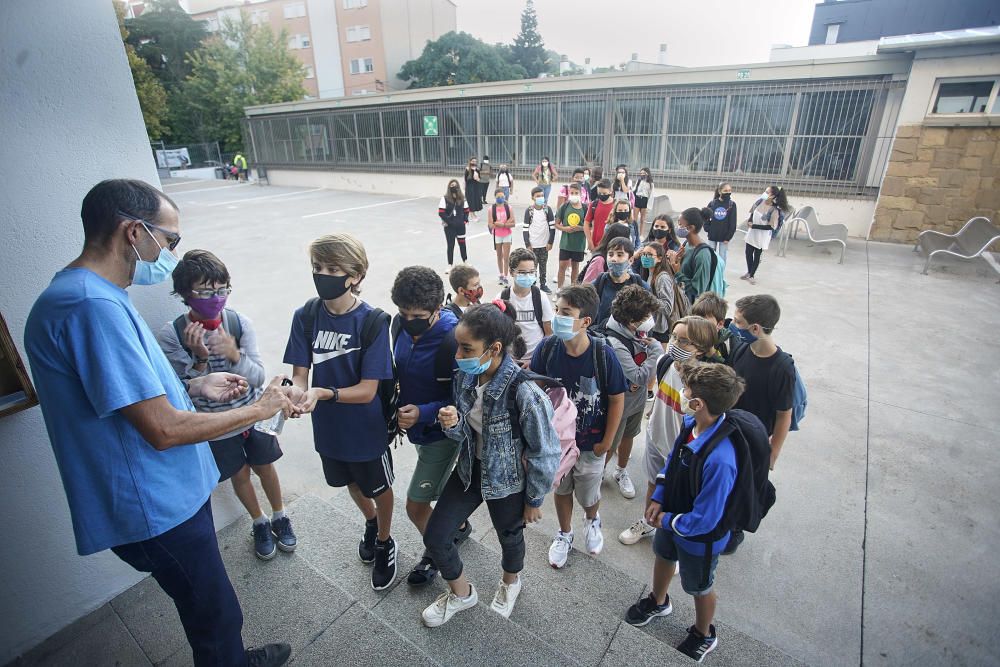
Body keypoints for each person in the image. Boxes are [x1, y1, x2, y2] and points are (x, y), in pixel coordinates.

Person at [24, 179, 293, 667]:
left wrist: (193, 387)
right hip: (155, 505)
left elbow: (121, 398)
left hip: (162, 496)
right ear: (133, 232)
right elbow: (161, 429)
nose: (171, 251)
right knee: (214, 616)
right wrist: (260, 407)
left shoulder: (86, 295)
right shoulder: (92, 307)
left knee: (210, 609)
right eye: (169, 240)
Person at [422, 302, 560, 626]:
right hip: (471, 470)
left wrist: (534, 500)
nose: (458, 355)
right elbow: (463, 435)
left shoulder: (525, 392)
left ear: (494, 349)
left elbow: (546, 451)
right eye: (459, 345)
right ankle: (461, 593)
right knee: (436, 536)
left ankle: (511, 583)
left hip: (509, 481)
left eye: (466, 348)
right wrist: (451, 422)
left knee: (510, 537)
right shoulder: (464, 378)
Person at [156, 250, 295, 561]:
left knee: (265, 467)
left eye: (222, 290)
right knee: (240, 473)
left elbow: (258, 377)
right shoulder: (173, 334)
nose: (215, 298)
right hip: (216, 426)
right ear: (184, 293)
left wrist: (235, 356)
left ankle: (280, 515)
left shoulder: (238, 322)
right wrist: (200, 358)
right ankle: (259, 521)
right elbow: (180, 392)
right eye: (205, 292)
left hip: (254, 415)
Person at [282, 233, 398, 591]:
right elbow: (300, 375)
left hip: (365, 429)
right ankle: (370, 522)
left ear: (355, 275)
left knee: (378, 487)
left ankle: (384, 540)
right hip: (328, 428)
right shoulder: (306, 315)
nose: (323, 275)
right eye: (318, 267)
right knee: (349, 482)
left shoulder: (374, 322)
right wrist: (292, 395)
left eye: (333, 268)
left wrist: (322, 392)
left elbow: (367, 392)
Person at [624, 362, 748, 664]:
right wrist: (660, 497)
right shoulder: (692, 426)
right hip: (672, 518)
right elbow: (671, 463)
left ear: (698, 404)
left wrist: (664, 518)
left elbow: (705, 519)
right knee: (663, 555)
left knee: (699, 585)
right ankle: (658, 600)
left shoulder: (721, 460)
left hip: (698, 538)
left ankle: (704, 633)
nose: (682, 394)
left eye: (686, 391)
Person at [530, 285, 628, 567]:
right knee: (561, 490)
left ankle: (591, 519)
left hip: (590, 444)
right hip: (556, 444)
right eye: (558, 310)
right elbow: (535, 391)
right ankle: (564, 533)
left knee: (588, 493)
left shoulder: (603, 355)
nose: (558, 317)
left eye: (566, 313)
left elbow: (617, 399)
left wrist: (607, 442)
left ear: (586, 321)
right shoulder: (547, 348)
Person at [389, 266, 472, 587]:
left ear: (439, 308)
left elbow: (462, 401)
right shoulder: (400, 325)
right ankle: (458, 527)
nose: (410, 322)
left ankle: (440, 554)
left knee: (415, 505)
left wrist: (422, 412)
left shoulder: (454, 341)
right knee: (433, 488)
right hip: (417, 431)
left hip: (442, 434)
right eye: (403, 313)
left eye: (418, 316)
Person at [618, 316, 717, 547]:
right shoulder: (666, 362)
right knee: (653, 483)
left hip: (682, 449)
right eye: (673, 337)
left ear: (700, 350)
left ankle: (676, 538)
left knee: (681, 495)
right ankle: (648, 522)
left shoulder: (703, 382)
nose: (674, 344)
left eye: (684, 341)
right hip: (656, 437)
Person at [725, 294, 794, 554]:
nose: (733, 325)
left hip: (754, 440)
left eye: (739, 322)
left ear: (755, 328)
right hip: (730, 430)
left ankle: (734, 530)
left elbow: (784, 414)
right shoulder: (742, 349)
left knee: (744, 487)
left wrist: (773, 453)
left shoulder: (782, 367)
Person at [603, 285, 664, 500]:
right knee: (611, 441)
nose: (649, 320)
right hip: (618, 404)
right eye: (645, 316)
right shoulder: (615, 343)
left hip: (635, 402)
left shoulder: (638, 332)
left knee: (629, 435)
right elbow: (639, 376)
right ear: (631, 320)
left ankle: (621, 470)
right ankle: (599, 472)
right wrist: (656, 352)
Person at [500, 248, 554, 365]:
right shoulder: (502, 298)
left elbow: (549, 334)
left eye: (531, 272)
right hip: (509, 361)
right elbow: (498, 333)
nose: (528, 276)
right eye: (522, 272)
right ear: (511, 272)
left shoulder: (540, 297)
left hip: (535, 359)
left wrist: (535, 360)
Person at [593, 237, 649, 326]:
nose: (613, 259)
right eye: (610, 255)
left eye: (619, 255)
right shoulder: (597, 285)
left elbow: (647, 321)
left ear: (630, 260)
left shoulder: (642, 287)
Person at [667, 207, 718, 303]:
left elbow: (698, 290)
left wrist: (677, 272)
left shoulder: (702, 254)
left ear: (691, 228)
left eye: (680, 224)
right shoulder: (686, 244)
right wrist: (677, 260)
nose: (677, 227)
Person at [743, 186, 791, 285]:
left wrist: (754, 226)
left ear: (773, 196)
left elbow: (771, 226)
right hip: (752, 233)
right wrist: (750, 221)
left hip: (762, 236)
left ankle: (752, 275)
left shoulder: (774, 210)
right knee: (748, 252)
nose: (764, 193)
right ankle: (749, 271)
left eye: (767, 192)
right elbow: (752, 213)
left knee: (757, 255)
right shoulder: (759, 202)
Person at [637, 241, 681, 344]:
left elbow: (667, 308)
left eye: (649, 255)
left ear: (660, 258)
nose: (645, 257)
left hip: (660, 331)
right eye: (643, 254)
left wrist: (647, 297)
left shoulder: (662, 278)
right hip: (651, 326)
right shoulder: (650, 273)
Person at [690, 292, 741, 364]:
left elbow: (732, 371)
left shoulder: (729, 342)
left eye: (703, 320)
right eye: (694, 319)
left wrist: (712, 355)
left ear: (720, 324)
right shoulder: (688, 335)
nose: (697, 324)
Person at [554, 182, 589, 289]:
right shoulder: (564, 206)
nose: (573, 195)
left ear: (580, 194)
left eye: (576, 193)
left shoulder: (585, 208)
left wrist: (581, 228)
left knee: (575, 267)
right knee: (562, 266)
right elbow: (556, 224)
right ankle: (559, 290)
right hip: (565, 243)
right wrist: (565, 229)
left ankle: (573, 290)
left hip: (579, 244)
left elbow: (590, 227)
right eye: (571, 193)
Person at [522, 186, 556, 293]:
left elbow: (552, 228)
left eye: (542, 195)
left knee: (543, 265)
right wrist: (527, 244)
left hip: (544, 244)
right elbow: (525, 229)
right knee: (532, 266)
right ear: (533, 198)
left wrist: (550, 242)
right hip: (533, 245)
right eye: (538, 196)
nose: (540, 198)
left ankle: (543, 284)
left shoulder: (547, 209)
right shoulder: (529, 211)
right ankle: (532, 285)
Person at [438, 179, 470, 272]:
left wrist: (464, 220)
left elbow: (466, 210)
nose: (454, 187)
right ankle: (449, 265)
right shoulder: (444, 198)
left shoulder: (462, 198)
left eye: (455, 185)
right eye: (452, 185)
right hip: (449, 227)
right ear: (449, 187)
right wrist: (450, 222)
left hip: (460, 227)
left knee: (462, 244)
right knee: (450, 245)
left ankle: (465, 261)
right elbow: (441, 212)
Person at [487, 188, 515, 286]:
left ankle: (506, 276)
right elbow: (490, 224)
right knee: (499, 255)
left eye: (502, 197)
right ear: (495, 197)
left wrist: (502, 225)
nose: (500, 198)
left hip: (507, 234)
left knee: (506, 257)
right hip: (497, 235)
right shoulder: (491, 209)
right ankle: (501, 274)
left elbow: (513, 223)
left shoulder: (509, 208)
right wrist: (497, 224)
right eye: (498, 197)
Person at [705, 182, 737, 264]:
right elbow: (705, 218)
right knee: (711, 256)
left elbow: (733, 222)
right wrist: (708, 229)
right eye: (725, 191)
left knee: (722, 257)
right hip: (713, 235)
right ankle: (711, 274)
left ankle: (720, 274)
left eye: (729, 190)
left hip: (724, 237)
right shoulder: (712, 203)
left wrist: (728, 237)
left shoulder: (732, 205)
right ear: (719, 191)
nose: (728, 193)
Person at [584, 178, 615, 250]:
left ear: (610, 191)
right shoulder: (594, 204)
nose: (601, 195)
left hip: (612, 244)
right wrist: (589, 241)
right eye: (599, 193)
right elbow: (586, 223)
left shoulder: (616, 205)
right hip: (595, 244)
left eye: (604, 193)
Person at [633, 167, 654, 240]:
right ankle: (634, 233)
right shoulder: (638, 181)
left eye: (643, 173)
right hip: (637, 198)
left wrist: (648, 206)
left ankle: (641, 235)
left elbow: (651, 195)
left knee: (642, 219)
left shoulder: (650, 183)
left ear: (647, 173)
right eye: (641, 173)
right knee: (635, 219)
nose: (642, 174)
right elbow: (634, 189)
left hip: (644, 200)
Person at [464, 157, 483, 222]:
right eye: (473, 161)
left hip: (476, 187)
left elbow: (479, 178)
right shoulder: (467, 169)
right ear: (470, 161)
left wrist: (477, 178)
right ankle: (472, 216)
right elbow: (465, 180)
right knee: (471, 201)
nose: (474, 162)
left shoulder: (477, 169)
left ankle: (474, 214)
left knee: (475, 201)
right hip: (470, 188)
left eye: (475, 161)